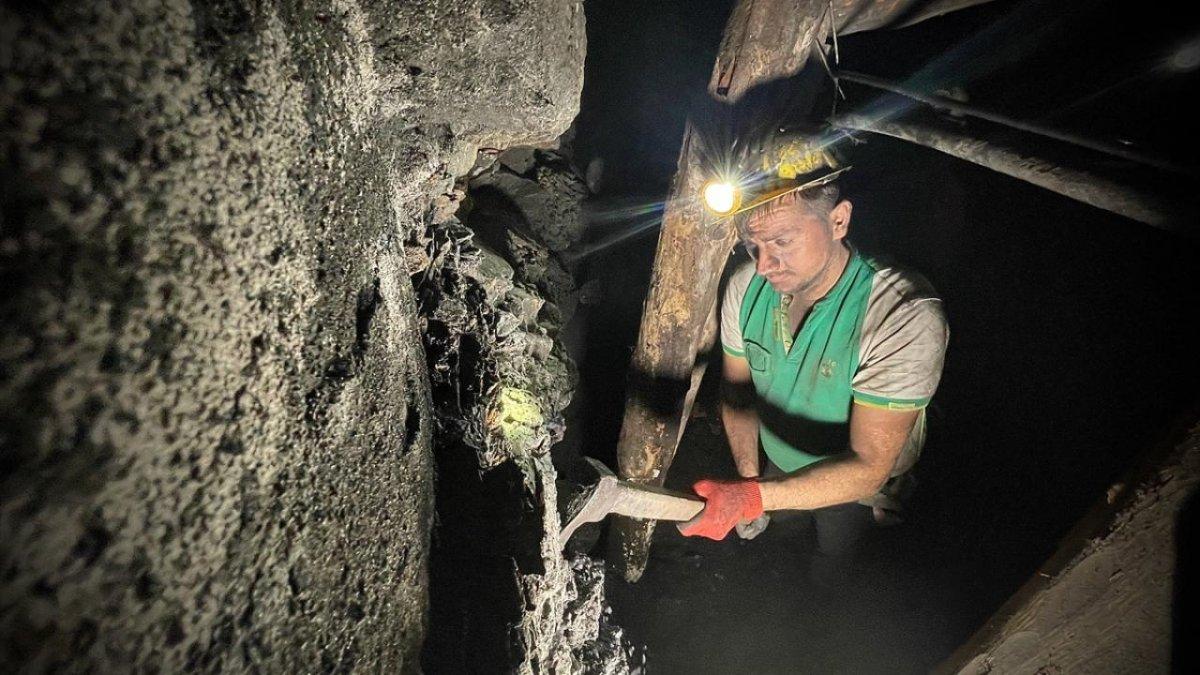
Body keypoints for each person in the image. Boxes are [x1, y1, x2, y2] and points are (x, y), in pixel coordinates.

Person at [680, 144, 949, 591]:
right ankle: (781, 574)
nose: (765, 264)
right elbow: (737, 395)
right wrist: (750, 483)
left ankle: (825, 604)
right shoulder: (746, 287)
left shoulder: (901, 312)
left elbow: (867, 466)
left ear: (838, 220)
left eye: (783, 241)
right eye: (754, 246)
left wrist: (751, 497)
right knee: (778, 524)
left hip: (853, 484)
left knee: (835, 548)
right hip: (777, 460)